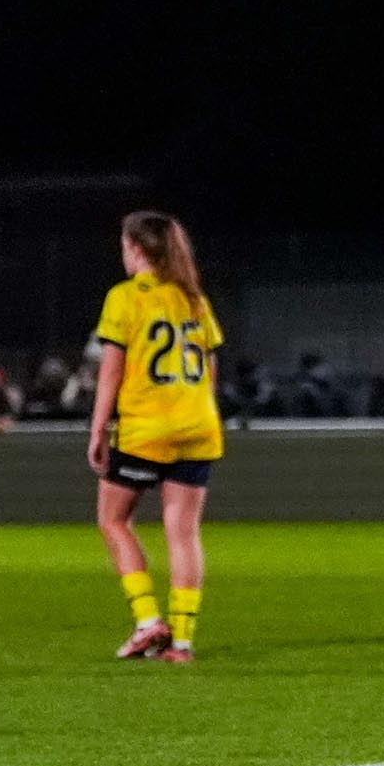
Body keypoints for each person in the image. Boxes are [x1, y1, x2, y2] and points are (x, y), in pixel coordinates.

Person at [87, 211, 224, 665]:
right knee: (182, 532)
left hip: (147, 427)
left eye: (125, 246)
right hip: (198, 425)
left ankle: (148, 621)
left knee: (113, 520)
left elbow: (111, 370)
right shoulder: (193, 299)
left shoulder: (124, 297)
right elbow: (209, 370)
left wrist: (100, 428)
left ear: (138, 249)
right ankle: (181, 642)